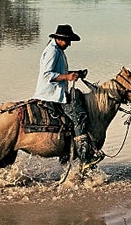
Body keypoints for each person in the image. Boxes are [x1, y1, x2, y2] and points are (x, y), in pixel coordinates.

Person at [33, 24, 103, 170]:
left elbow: (58, 72)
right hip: (51, 95)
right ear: (59, 38)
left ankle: (68, 153)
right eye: (67, 40)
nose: (69, 44)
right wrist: (67, 76)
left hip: (56, 92)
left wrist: (74, 73)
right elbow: (47, 75)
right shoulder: (53, 51)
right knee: (80, 115)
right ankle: (85, 155)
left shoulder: (57, 50)